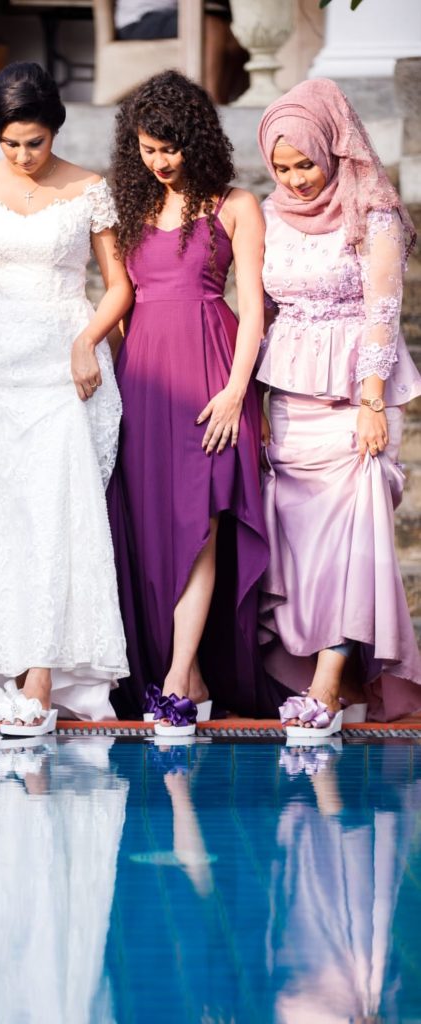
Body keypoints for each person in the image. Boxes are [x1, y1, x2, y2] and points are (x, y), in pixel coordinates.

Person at [0, 62, 132, 735]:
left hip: (60, 364)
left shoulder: (89, 189)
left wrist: (87, 340)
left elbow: (117, 286)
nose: (21, 155)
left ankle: (42, 675)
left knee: (55, 513)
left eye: (34, 142)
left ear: (55, 131)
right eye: (11, 142)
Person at [107, 70, 272, 731]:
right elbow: (121, 301)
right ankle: (186, 673)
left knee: (199, 525)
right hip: (141, 379)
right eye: (146, 149)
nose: (158, 161)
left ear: (197, 141)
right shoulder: (132, 208)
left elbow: (254, 311)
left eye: (169, 149)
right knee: (152, 533)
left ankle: (178, 676)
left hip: (210, 376)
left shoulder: (236, 205)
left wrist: (235, 392)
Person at [256, 78, 421, 737]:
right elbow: (260, 307)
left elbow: (383, 310)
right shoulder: (267, 214)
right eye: (283, 167)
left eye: (306, 164)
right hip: (288, 401)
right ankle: (307, 675)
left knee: (357, 530)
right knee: (294, 550)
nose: (296, 180)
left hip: (357, 397)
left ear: (332, 148)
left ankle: (327, 684)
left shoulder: (372, 210)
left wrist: (372, 400)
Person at [114, 0, 248, 104]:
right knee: (208, 24)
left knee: (236, 36)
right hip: (138, 19)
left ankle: (222, 103)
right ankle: (210, 101)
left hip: (176, 13)